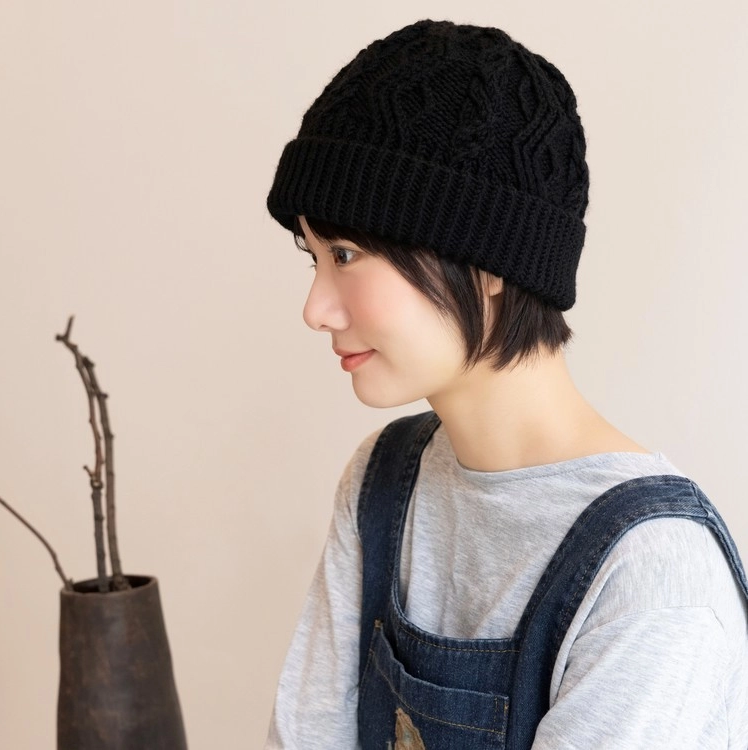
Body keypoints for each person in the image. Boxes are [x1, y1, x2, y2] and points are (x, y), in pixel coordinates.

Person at [263, 18, 748, 749]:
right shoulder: (382, 483)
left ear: (489, 263)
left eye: (346, 254)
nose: (315, 309)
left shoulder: (653, 578)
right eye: (314, 257)